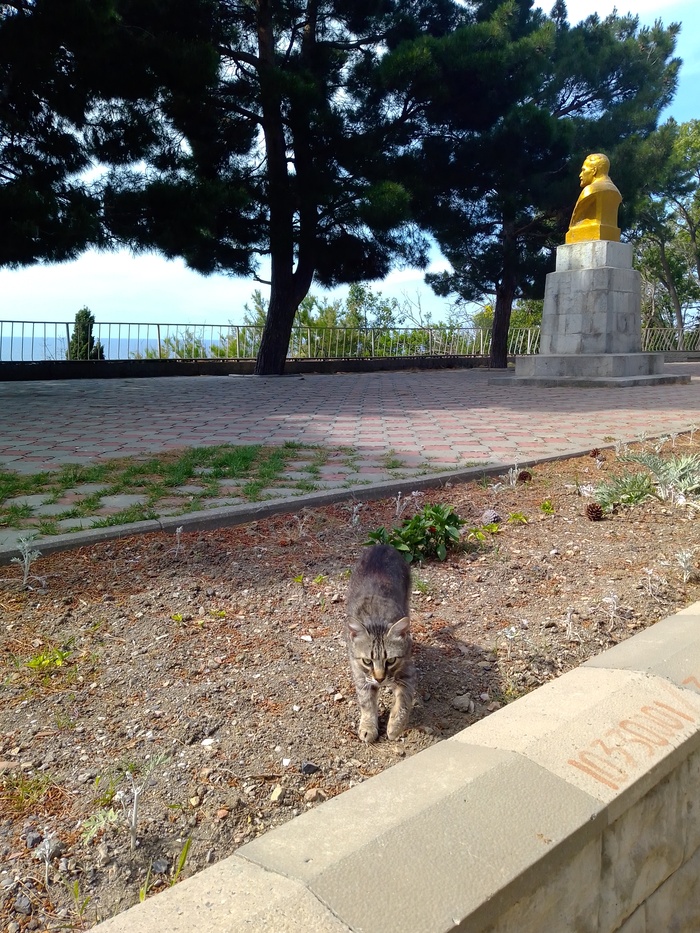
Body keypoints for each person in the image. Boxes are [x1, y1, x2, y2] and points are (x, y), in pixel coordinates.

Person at [565, 152, 622, 244]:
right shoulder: (616, 192)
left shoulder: (591, 190)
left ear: (594, 170)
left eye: (583, 170)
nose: (580, 175)